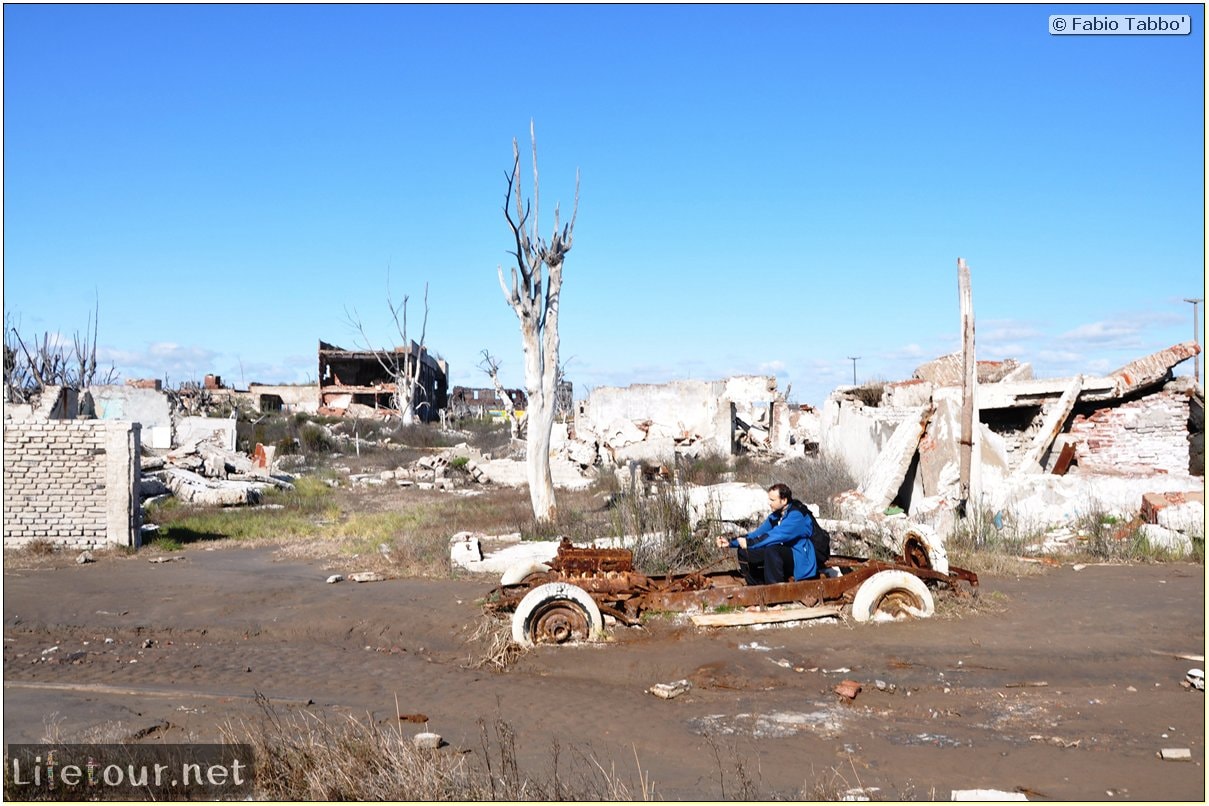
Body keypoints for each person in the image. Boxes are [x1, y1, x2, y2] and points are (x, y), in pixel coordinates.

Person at [715, 483, 817, 584]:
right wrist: (731, 542)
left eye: (772, 500)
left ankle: (775, 591)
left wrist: (749, 543)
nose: (769, 503)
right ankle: (756, 587)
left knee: (772, 549)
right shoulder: (776, 516)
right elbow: (756, 534)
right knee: (744, 551)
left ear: (784, 500)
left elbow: (775, 536)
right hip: (782, 554)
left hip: (799, 557)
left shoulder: (796, 516)